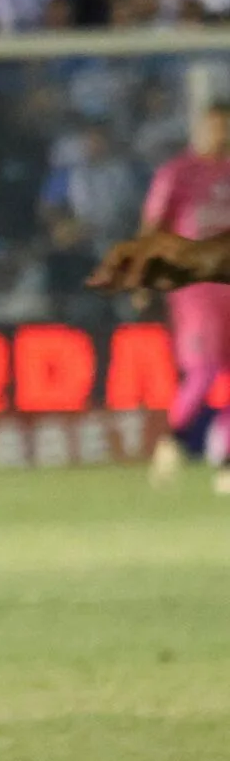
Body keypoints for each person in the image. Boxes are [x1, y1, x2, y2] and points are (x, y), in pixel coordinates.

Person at [134, 103, 230, 490]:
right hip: (195, 288)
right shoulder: (178, 173)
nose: (220, 135)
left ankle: (225, 461)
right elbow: (153, 227)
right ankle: (172, 441)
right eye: (214, 127)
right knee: (204, 369)